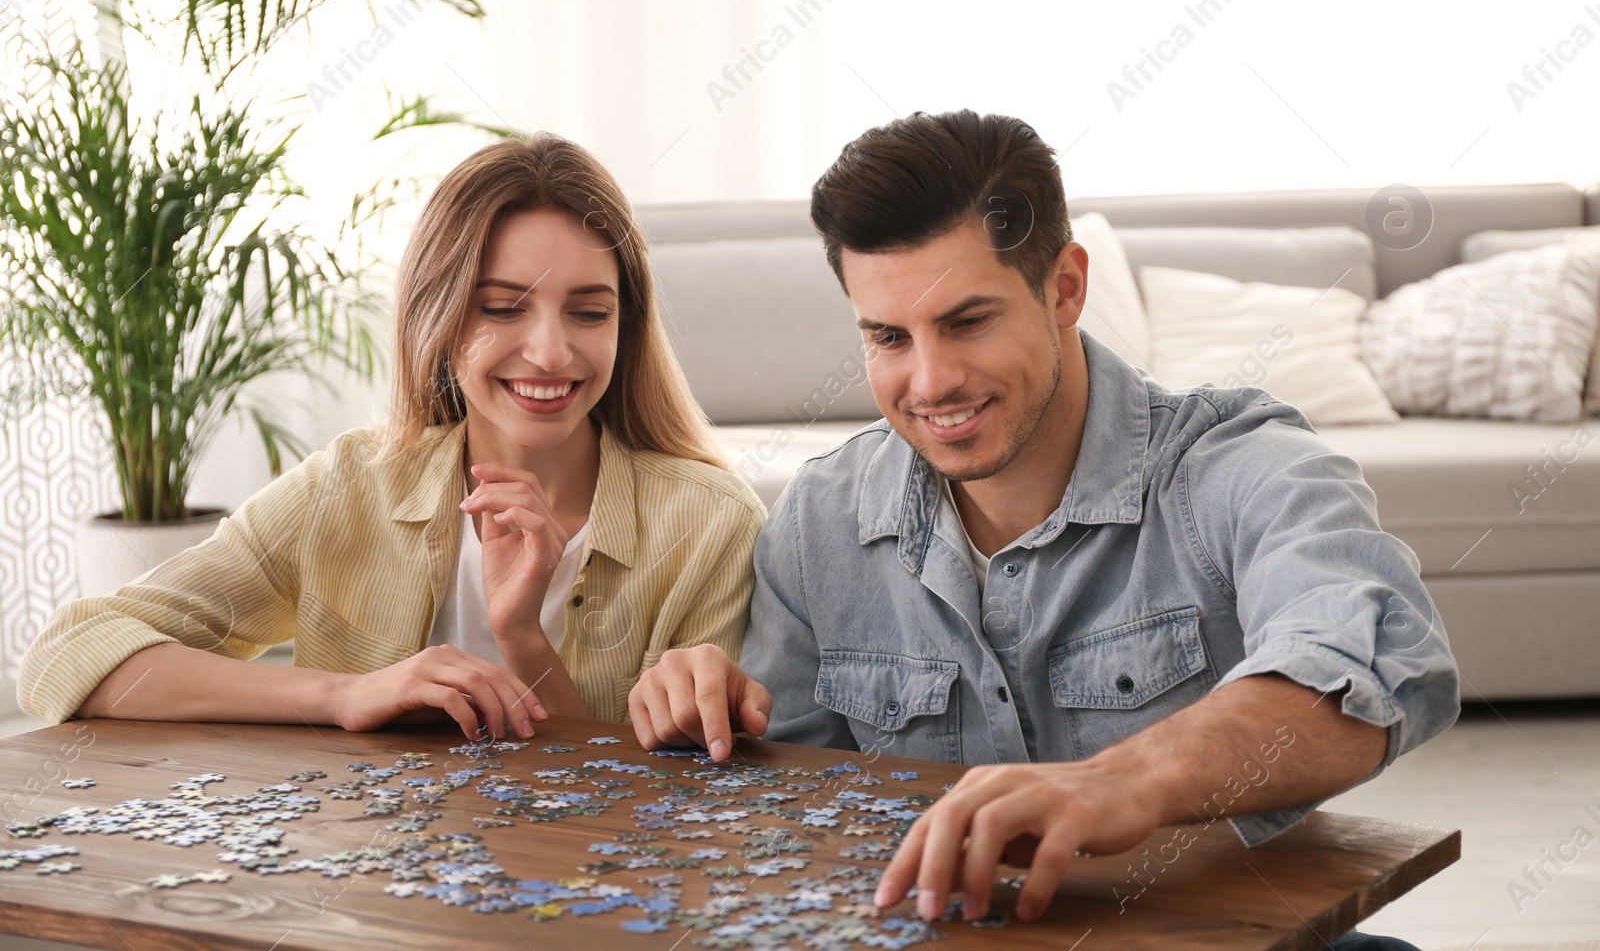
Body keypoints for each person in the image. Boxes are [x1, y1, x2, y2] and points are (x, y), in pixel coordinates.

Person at [627, 109, 1457, 947]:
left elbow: (1376, 668)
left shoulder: (1244, 466)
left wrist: (1118, 784)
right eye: (887, 336)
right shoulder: (819, 519)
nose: (931, 380)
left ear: (1064, 286)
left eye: (967, 320)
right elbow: (797, 818)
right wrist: (707, 722)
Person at [19, 135, 765, 740]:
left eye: (590, 312)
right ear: (435, 319)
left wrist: (522, 638)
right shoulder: (348, 484)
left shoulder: (710, 523)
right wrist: (345, 695)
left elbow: (670, 813)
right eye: (502, 308)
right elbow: (68, 654)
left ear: (626, 327)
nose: (549, 351)